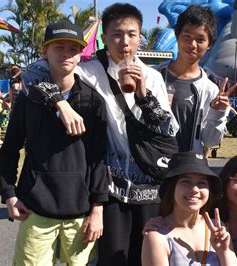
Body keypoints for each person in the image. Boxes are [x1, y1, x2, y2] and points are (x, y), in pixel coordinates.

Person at [43, 4, 179, 266]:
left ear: (141, 37)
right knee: (112, 256)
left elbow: (168, 130)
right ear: (104, 38)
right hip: (110, 184)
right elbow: (38, 73)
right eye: (116, 34)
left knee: (147, 255)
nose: (124, 42)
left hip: (149, 183)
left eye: (131, 34)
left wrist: (143, 96)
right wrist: (60, 103)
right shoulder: (88, 72)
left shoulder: (152, 76)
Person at [0, 21, 108, 265]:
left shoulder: (93, 101)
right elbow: (9, 149)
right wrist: (10, 195)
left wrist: (97, 209)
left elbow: (100, 159)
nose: (66, 54)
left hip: (80, 212)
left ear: (81, 55)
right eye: (59, 47)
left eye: (73, 49)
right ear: (45, 51)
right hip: (35, 209)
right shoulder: (28, 99)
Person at [156, 5, 237, 153]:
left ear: (209, 45)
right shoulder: (154, 77)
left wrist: (217, 113)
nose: (192, 45)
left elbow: (210, 141)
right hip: (152, 168)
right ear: (177, 36)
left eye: (200, 39)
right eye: (187, 36)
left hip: (187, 171)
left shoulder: (211, 91)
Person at [141, 151, 237, 266]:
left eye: (202, 183)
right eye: (186, 182)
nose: (195, 189)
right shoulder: (157, 237)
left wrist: (225, 251)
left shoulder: (217, 230)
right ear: (172, 188)